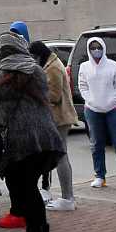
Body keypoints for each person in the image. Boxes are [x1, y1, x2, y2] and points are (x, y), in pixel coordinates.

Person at [0, 34, 67, 232]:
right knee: (30, 188)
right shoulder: (38, 71)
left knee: (25, 190)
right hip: (45, 136)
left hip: (18, 141)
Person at [75, 37, 116, 193]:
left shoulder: (113, 66)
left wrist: (112, 102)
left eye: (98, 47)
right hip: (93, 109)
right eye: (93, 48)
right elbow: (83, 86)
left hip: (114, 109)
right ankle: (100, 176)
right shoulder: (84, 67)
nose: (96, 51)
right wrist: (91, 101)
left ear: (103, 48)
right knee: (97, 144)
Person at [30, 40, 78, 210]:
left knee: (60, 156)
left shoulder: (53, 67)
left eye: (34, 58)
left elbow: (54, 96)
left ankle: (67, 198)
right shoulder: (51, 63)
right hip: (56, 118)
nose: (34, 61)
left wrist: (33, 93)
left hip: (59, 118)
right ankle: (66, 196)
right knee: (57, 155)